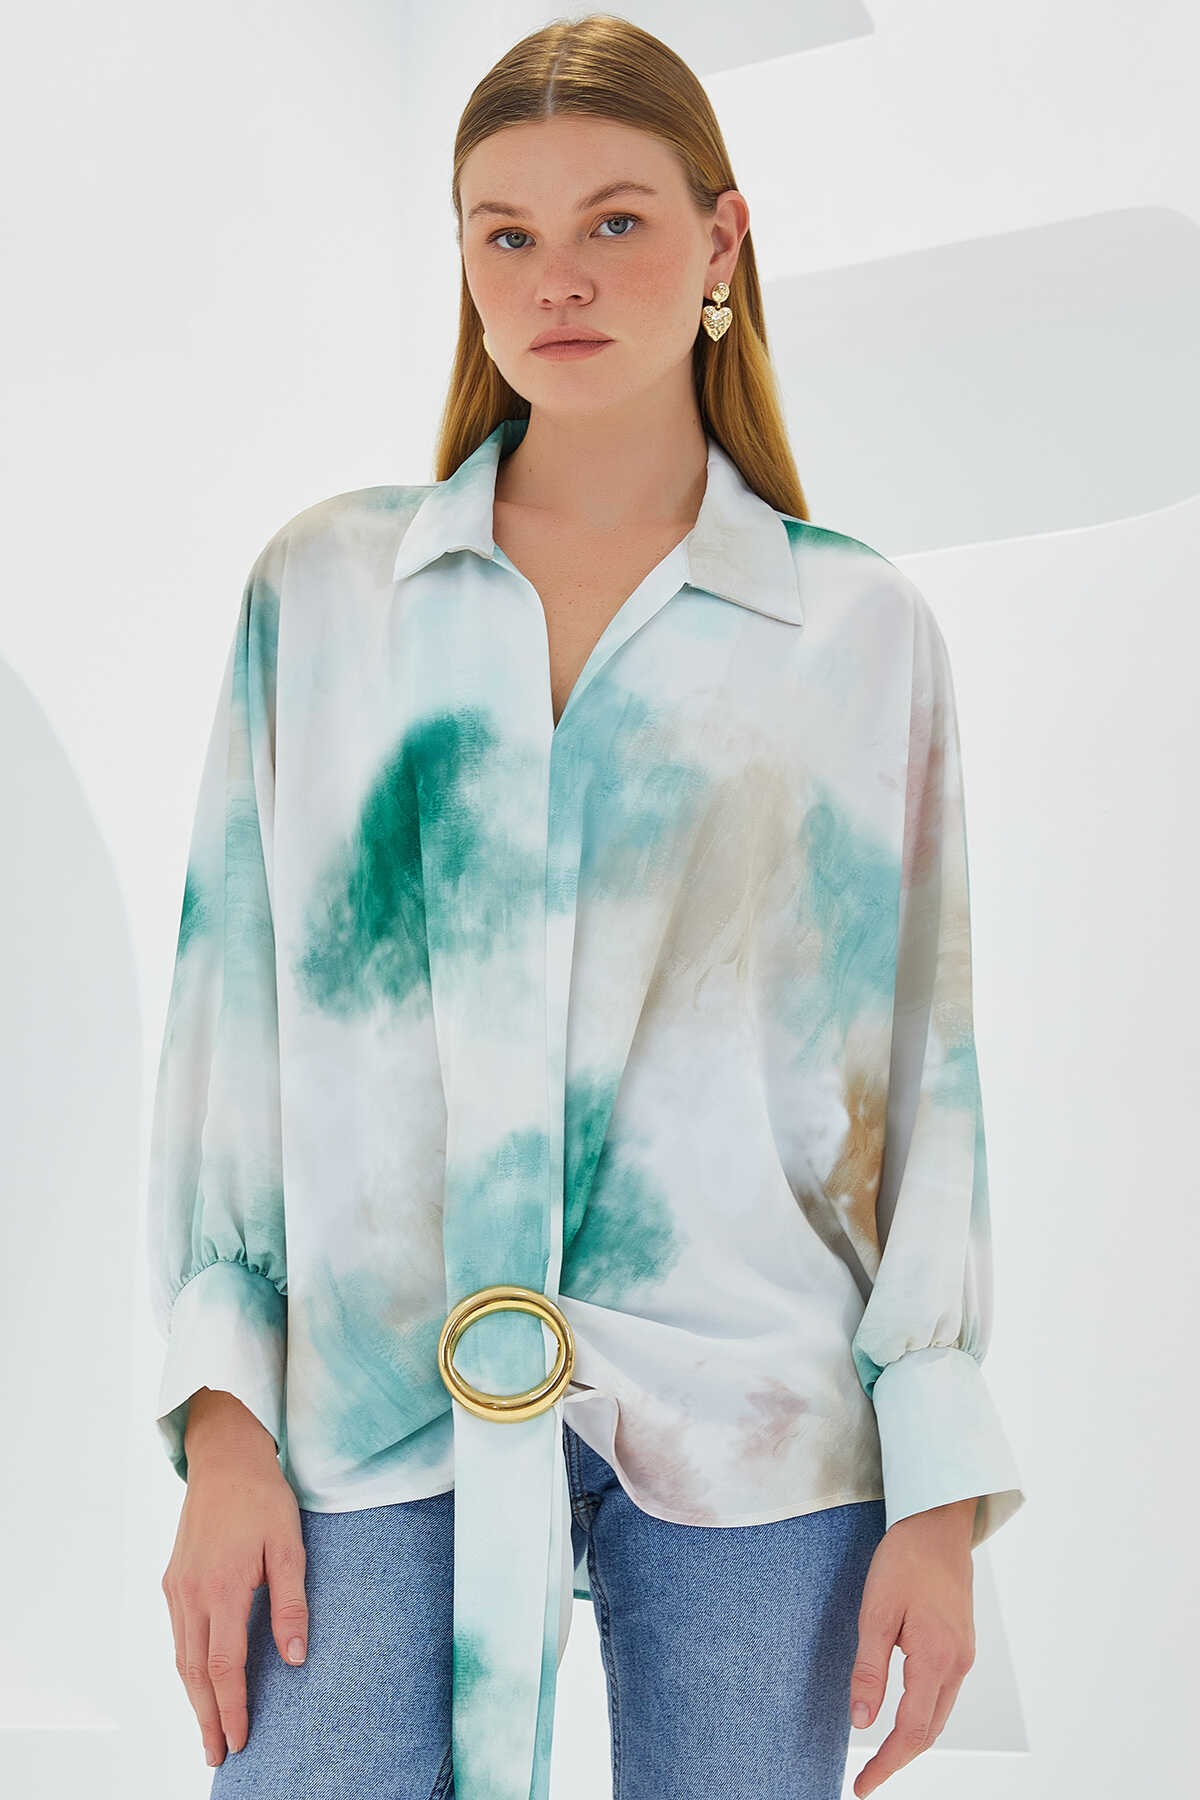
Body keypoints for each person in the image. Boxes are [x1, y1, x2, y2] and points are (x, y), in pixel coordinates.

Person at [148, 15, 1027, 1800]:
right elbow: (233, 1028)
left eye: (616, 221)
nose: (558, 277)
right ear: (466, 263)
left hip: (758, 1416)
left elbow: (922, 1086)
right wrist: (226, 1422)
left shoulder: (856, 634)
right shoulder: (327, 597)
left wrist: (937, 1494)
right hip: (376, 1399)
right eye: (509, 233)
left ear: (722, 243)